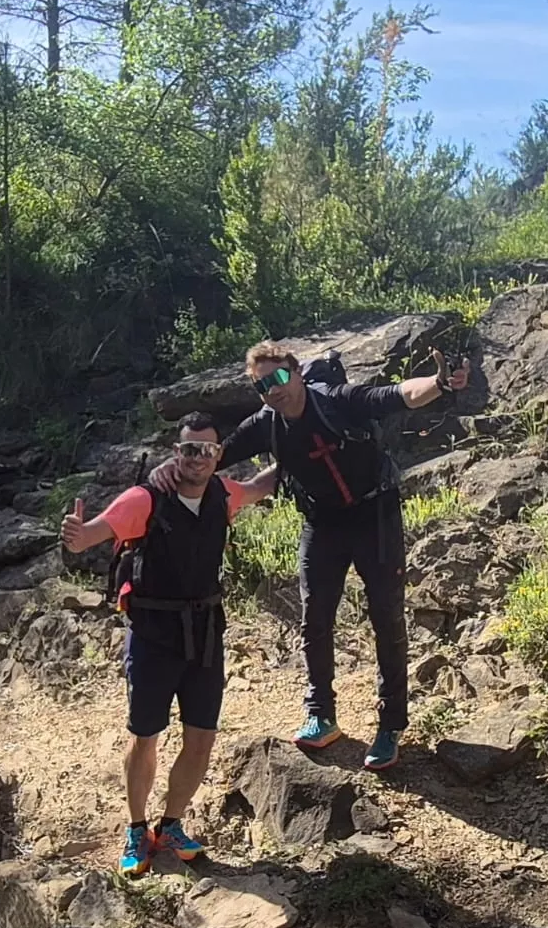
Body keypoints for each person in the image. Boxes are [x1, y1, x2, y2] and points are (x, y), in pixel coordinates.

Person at [156, 342, 470, 772]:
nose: (273, 389)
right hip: (322, 524)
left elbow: (396, 396)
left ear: (297, 373)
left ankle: (390, 723)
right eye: (262, 384)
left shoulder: (336, 402)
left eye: (280, 377)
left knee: (386, 616)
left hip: (374, 513)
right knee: (315, 617)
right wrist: (171, 469)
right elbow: (213, 457)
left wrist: (438, 383)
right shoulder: (266, 426)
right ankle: (321, 713)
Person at [61, 412, 269, 876]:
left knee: (201, 738)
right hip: (153, 634)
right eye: (189, 448)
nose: (197, 457)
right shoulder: (144, 500)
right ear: (177, 452)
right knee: (145, 736)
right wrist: (76, 538)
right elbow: (92, 535)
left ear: (218, 455)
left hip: (206, 633)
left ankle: (170, 825)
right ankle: (138, 829)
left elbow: (261, 486)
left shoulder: (223, 493)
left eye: (207, 450)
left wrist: (303, 443)